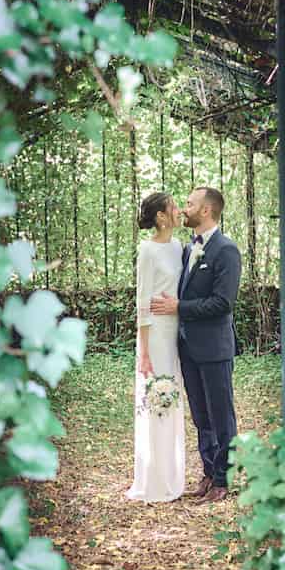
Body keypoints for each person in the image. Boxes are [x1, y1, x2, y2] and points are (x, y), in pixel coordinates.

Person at [151, 187, 241, 503]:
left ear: (206, 211)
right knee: (201, 416)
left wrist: (179, 308)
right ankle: (209, 473)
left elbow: (223, 303)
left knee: (221, 417)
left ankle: (224, 480)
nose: (184, 209)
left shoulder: (226, 250)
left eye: (189, 204)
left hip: (215, 348)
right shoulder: (189, 248)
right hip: (188, 347)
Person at [126, 192, 186, 503]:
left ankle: (172, 475)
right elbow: (142, 303)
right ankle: (154, 481)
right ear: (161, 216)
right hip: (156, 336)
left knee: (174, 403)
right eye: (173, 206)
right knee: (158, 400)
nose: (179, 210)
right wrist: (145, 352)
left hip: (178, 332)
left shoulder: (180, 247)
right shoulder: (147, 250)